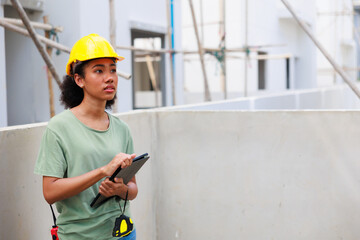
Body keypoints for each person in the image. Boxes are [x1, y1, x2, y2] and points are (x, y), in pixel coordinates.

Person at [34, 34, 137, 240]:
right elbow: (50, 192)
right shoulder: (59, 127)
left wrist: (120, 189)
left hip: (123, 234)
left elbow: (133, 190)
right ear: (79, 79)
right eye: (99, 70)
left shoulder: (121, 128)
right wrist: (101, 171)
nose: (109, 77)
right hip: (78, 236)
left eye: (113, 70)